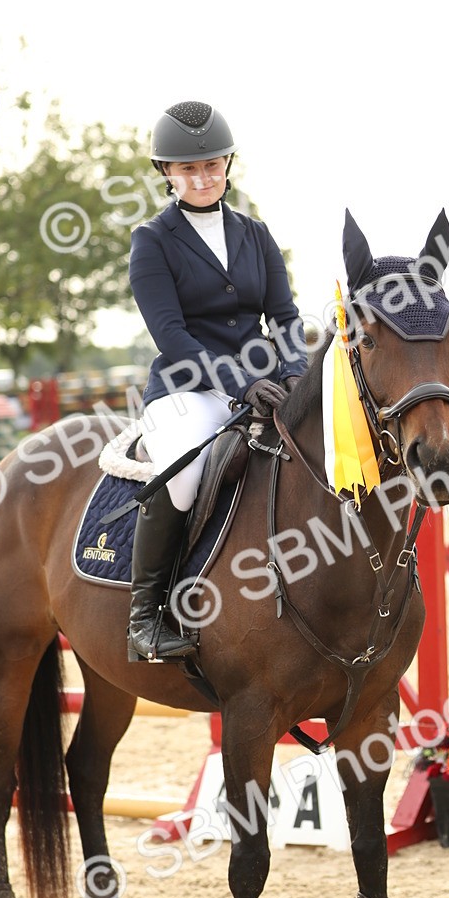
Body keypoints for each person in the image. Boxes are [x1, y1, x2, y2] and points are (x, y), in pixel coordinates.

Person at [127, 101, 308, 662]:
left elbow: (285, 317)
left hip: (266, 383)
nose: (203, 177)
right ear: (167, 172)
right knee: (184, 478)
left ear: (228, 163)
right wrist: (239, 383)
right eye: (189, 168)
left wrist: (297, 374)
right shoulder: (152, 240)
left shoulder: (256, 234)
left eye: (212, 164)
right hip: (188, 390)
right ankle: (145, 616)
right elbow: (171, 335)